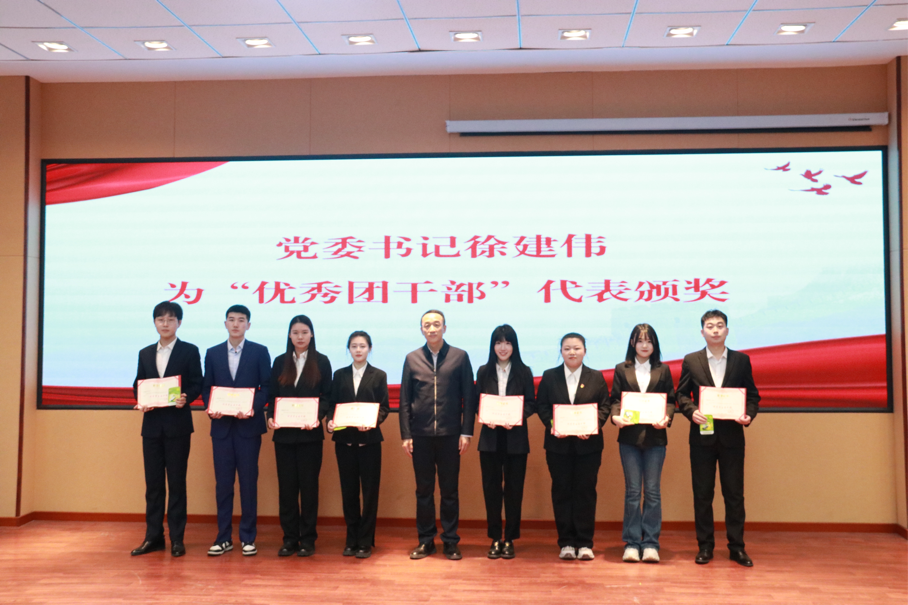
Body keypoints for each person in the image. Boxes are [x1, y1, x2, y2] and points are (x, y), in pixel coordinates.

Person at [676, 309, 760, 567]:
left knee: (734, 495)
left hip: (732, 438)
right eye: (710, 326)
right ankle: (705, 546)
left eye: (720, 325)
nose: (715, 330)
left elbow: (752, 396)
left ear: (727, 330)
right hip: (702, 437)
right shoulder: (691, 360)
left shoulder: (741, 360)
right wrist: (692, 411)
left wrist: (748, 415)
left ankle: (737, 547)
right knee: (702, 494)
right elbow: (681, 395)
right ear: (702, 332)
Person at [399, 309, 477, 561]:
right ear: (421, 329)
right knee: (423, 491)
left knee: (449, 491)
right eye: (427, 325)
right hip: (420, 435)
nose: (431, 329)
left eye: (436, 324)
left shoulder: (459, 357)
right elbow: (404, 400)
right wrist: (406, 434)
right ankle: (426, 541)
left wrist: (466, 432)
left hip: (450, 435)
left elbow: (469, 397)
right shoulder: (412, 358)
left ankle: (451, 541)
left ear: (445, 328)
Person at [130, 301, 203, 558]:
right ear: (154, 322)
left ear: (179, 323)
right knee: (153, 486)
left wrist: (186, 397)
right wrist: (141, 400)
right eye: (160, 319)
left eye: (171, 319)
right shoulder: (145, 353)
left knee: (176, 484)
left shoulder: (189, 351)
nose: (165, 323)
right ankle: (153, 537)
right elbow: (138, 384)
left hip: (177, 427)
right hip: (151, 428)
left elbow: (197, 383)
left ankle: (177, 539)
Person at [201, 304, 271, 557]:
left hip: (248, 428)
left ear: (248, 325)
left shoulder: (260, 351)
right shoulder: (212, 353)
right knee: (223, 485)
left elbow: (267, 387)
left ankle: (248, 537)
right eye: (231, 319)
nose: (236, 324)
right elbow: (207, 387)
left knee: (248, 483)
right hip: (221, 428)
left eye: (241, 320)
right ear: (225, 324)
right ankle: (223, 537)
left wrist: (251, 407)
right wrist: (211, 407)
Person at [535, 333, 610, 561]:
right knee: (562, 491)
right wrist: (554, 425)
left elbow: (605, 406)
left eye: (577, 348)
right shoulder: (550, 376)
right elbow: (542, 406)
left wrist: (594, 425)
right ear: (561, 351)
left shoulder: (596, 377)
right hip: (558, 446)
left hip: (589, 446)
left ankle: (585, 543)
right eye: (567, 348)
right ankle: (566, 542)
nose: (572, 352)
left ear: (585, 350)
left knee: (585, 492)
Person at [265, 315, 332, 557]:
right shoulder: (280, 361)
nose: (300, 337)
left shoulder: (322, 361)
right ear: (289, 336)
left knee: (309, 489)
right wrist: (270, 416)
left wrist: (317, 416)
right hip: (284, 436)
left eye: (304, 332)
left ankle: (308, 539)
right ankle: (289, 539)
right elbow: (272, 395)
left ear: (311, 334)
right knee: (287, 489)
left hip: (310, 437)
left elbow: (327, 396)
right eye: (295, 332)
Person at [609, 324, 676, 564]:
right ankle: (631, 542)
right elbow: (615, 399)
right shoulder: (621, 369)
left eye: (649, 341)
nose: (644, 345)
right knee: (633, 492)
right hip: (629, 438)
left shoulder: (663, 369)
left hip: (655, 439)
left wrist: (667, 418)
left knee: (653, 492)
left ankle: (650, 543)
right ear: (632, 343)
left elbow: (670, 401)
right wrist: (615, 417)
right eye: (640, 341)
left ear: (654, 344)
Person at [327, 331, 390, 559]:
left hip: (369, 443)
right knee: (349, 493)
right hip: (344, 443)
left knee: (370, 494)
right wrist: (330, 422)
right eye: (354, 346)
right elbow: (333, 405)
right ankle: (351, 539)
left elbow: (383, 407)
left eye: (362, 346)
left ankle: (365, 541)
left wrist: (373, 422)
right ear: (349, 349)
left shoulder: (379, 375)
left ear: (369, 348)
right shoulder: (339, 375)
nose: (358, 350)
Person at [475, 324, 536, 560]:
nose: (503, 347)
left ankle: (509, 538)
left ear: (514, 346)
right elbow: (477, 402)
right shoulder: (483, 371)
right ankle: (494, 538)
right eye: (498, 343)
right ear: (493, 346)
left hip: (516, 440)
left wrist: (517, 417)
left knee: (514, 491)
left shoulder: (524, 371)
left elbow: (530, 403)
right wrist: (484, 415)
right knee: (491, 490)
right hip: (490, 440)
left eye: (507, 343)